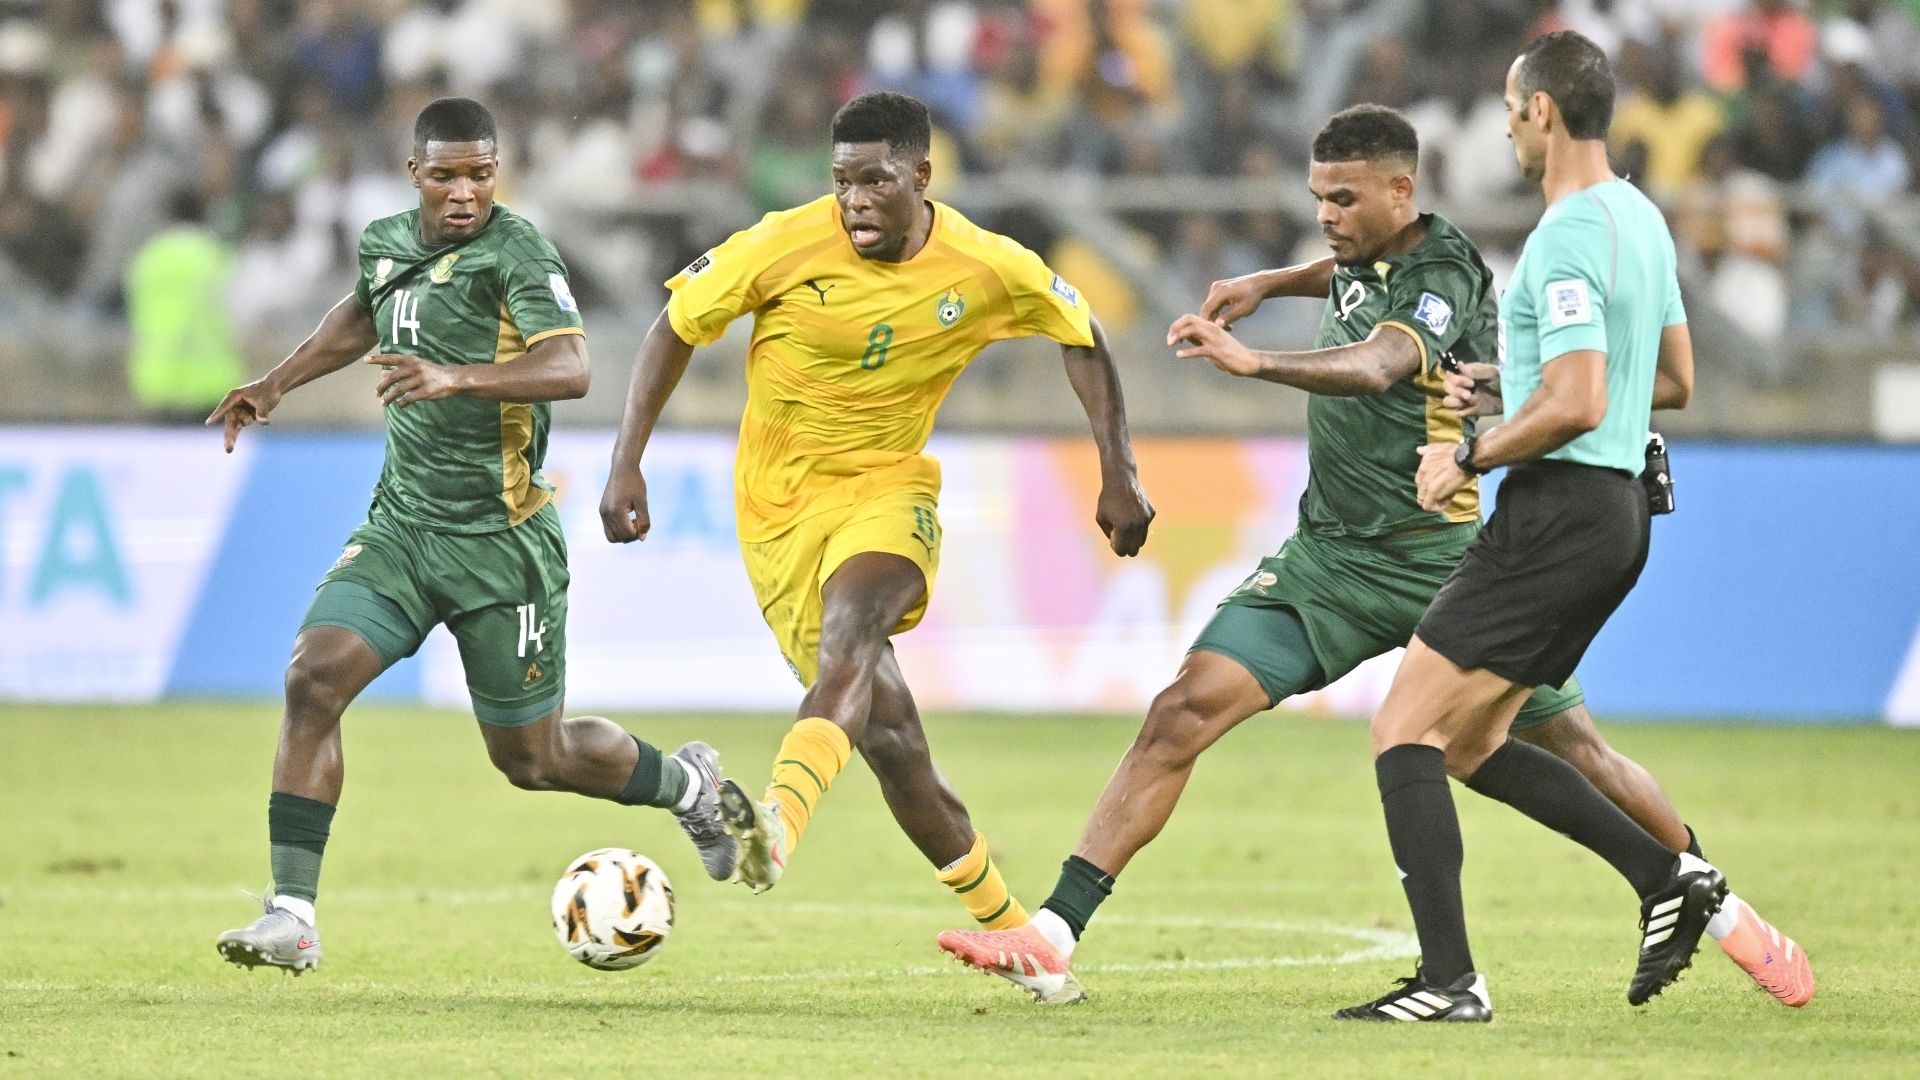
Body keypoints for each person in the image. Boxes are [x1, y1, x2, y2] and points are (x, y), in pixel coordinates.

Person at [935, 101, 1811, 1012]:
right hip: (1329, 563)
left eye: (1345, 199)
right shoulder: (1365, 251)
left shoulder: (1446, 270)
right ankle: (1053, 936)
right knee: (1180, 712)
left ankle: (1721, 908)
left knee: (1575, 749)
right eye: (1319, 197)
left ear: (1403, 191)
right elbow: (1346, 275)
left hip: (1446, 563)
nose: (1327, 216)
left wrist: (1255, 361)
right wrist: (1271, 281)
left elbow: (1382, 362)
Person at [598, 91, 1153, 932]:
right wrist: (625, 461)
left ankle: (773, 831)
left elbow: (1082, 333)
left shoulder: (985, 266)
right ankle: (1017, 937)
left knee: (853, 630)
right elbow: (674, 326)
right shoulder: (783, 243)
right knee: (896, 748)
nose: (854, 200)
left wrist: (1118, 471)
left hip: (890, 490)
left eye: (875, 181)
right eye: (842, 182)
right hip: (780, 512)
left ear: (923, 176)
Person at [207, 97, 736, 975]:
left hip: (502, 543)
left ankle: (689, 785)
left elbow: (571, 365)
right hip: (405, 527)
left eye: (481, 175)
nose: (465, 193)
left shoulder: (519, 253)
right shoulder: (385, 241)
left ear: (498, 173)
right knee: (312, 678)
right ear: (414, 173)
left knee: (534, 759)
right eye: (447, 175)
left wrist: (454, 376)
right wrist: (277, 381)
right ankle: (292, 916)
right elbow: (364, 310)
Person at [1335, 31, 1740, 1022]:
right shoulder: (1640, 219)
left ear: (1544, 112)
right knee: (1471, 741)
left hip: (1557, 513)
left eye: (1515, 111)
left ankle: (1449, 982)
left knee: (1403, 729)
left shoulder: (1565, 233)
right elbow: (1669, 380)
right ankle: (1667, 876)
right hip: (1618, 515)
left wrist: (1470, 452)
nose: (1510, 128)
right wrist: (1509, 385)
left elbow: (1583, 399)